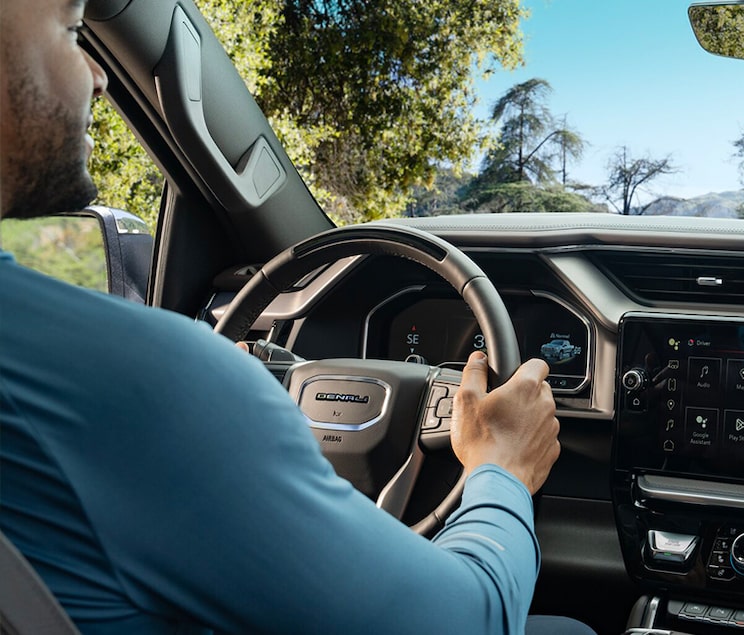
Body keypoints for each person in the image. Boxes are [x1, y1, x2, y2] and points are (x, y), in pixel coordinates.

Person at [0, 0, 592, 633]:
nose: (98, 75)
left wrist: (221, 410)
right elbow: (466, 619)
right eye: (70, 31)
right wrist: (501, 464)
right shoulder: (145, 382)